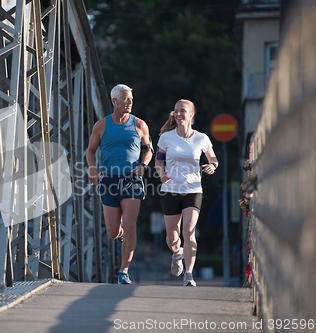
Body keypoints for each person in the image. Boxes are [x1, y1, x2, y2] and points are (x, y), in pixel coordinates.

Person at [86, 84, 153, 284]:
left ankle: (124, 271)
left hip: (131, 180)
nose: (130, 102)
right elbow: (90, 151)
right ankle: (121, 235)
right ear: (115, 101)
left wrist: (143, 164)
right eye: (126, 99)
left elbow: (148, 149)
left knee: (131, 225)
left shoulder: (140, 125)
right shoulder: (101, 125)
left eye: (131, 99)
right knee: (113, 231)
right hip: (108, 180)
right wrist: (92, 169)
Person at [155, 99, 218, 287]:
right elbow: (158, 161)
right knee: (172, 238)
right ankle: (177, 254)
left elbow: (213, 159)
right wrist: (160, 173)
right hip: (170, 190)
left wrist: (212, 166)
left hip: (193, 189)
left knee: (189, 232)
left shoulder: (202, 138)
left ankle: (189, 275)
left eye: (183, 111)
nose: (178, 114)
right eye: (176, 111)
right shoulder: (166, 138)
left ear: (191, 115)